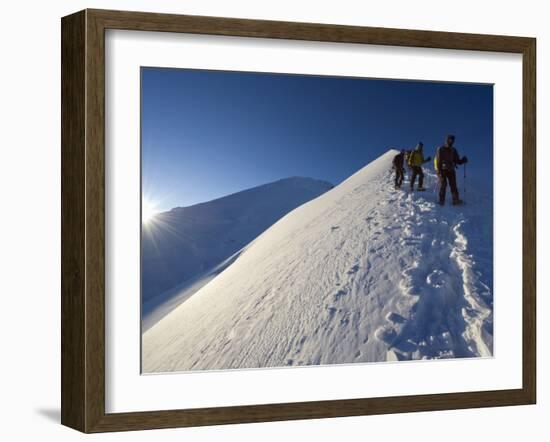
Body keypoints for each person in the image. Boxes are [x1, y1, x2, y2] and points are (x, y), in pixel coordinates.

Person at [434, 134, 468, 205]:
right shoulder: (440, 149)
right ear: (447, 140)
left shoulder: (453, 150)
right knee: (443, 184)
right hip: (442, 169)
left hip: (451, 169)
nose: (451, 141)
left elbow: (457, 161)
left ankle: (455, 200)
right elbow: (438, 161)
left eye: (452, 140)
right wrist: (439, 171)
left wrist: (463, 160)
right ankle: (441, 200)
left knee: (453, 185)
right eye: (450, 139)